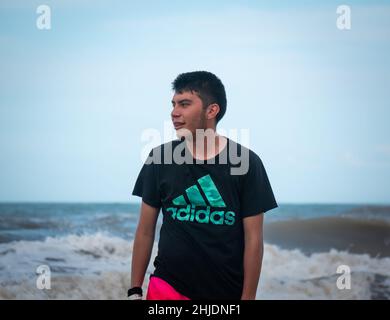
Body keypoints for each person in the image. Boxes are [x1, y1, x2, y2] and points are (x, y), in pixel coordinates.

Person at [129, 71, 278, 300]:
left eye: (185, 104)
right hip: (166, 287)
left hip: (224, 291)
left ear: (211, 110)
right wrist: (135, 289)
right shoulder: (160, 158)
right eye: (173, 104)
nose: (174, 112)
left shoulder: (245, 163)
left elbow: (254, 240)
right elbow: (145, 230)